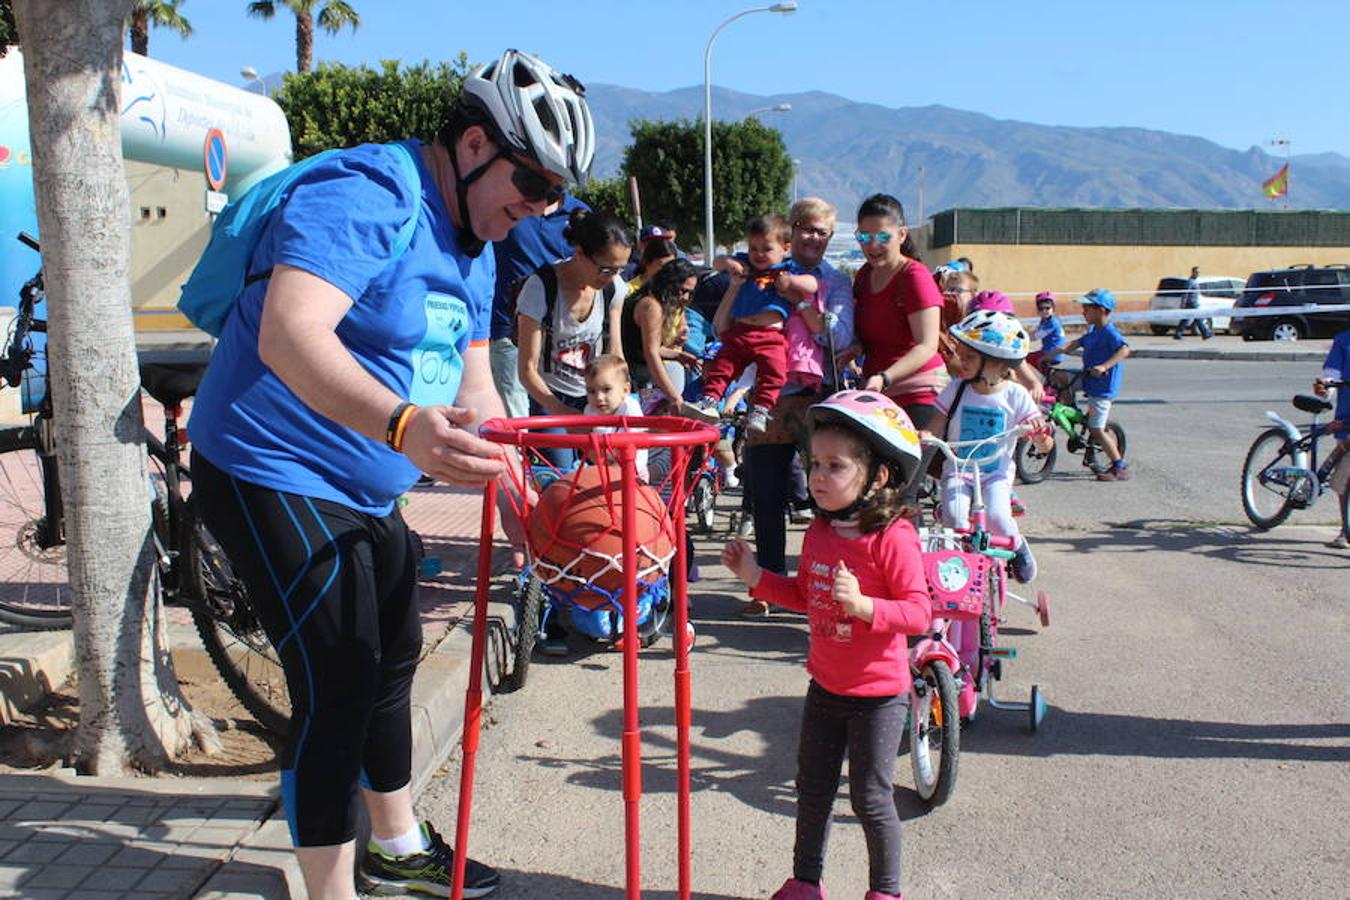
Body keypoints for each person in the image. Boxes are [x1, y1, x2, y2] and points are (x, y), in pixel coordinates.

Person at [187, 48, 594, 898]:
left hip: (366, 479)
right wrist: (406, 426)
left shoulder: (481, 238)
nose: (543, 207)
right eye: (535, 180)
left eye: (557, 193)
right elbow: (290, 334)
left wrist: (518, 492)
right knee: (336, 680)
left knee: (395, 656)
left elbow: (474, 378)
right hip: (270, 465)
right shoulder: (370, 195)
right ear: (476, 143)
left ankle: (397, 846)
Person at [721, 390, 931, 900]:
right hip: (824, 689)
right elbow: (803, 595)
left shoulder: (892, 537)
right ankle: (805, 883)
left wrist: (866, 607)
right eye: (815, 462)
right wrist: (755, 575)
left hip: (879, 698)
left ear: (878, 476)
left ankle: (885, 891)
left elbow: (920, 613)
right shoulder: (819, 530)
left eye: (835, 465)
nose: (817, 476)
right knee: (812, 792)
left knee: (870, 798)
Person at [925, 311, 1052, 582]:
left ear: (995, 363)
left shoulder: (1016, 395)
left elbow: (1044, 441)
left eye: (969, 357)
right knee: (955, 521)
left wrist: (1040, 437)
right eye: (961, 354)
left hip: (995, 473)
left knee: (997, 518)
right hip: (958, 469)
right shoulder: (956, 389)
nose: (961, 361)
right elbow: (934, 426)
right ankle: (956, 579)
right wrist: (923, 436)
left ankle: (1017, 547)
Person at [687, 213, 819, 433]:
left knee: (775, 371)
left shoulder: (787, 269)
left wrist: (792, 282)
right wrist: (729, 263)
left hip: (770, 336)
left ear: (785, 248)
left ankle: (761, 409)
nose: (758, 254)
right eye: (753, 248)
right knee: (723, 365)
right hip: (740, 331)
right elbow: (716, 263)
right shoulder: (745, 264)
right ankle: (709, 401)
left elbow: (812, 284)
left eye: (766, 249)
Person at [516, 209, 629, 466]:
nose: (611, 276)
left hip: (596, 394)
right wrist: (564, 414)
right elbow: (527, 370)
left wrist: (621, 397)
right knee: (560, 477)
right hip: (550, 394)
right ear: (580, 254)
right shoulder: (541, 287)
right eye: (605, 269)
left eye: (619, 269)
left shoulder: (613, 288)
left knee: (606, 473)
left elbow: (616, 353)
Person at [846, 194, 945, 430]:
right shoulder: (863, 276)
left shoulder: (914, 277)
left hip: (919, 392)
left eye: (882, 237)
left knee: (909, 467)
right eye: (864, 237)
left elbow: (927, 345)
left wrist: (884, 377)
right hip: (877, 394)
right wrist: (855, 348)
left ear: (902, 234)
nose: (872, 245)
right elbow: (870, 335)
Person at [490, 191, 589, 418]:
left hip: (562, 336)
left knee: (558, 414)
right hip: (509, 328)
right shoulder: (511, 204)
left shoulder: (580, 214)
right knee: (516, 409)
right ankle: (519, 453)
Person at [1060, 288, 1132, 481]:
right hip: (1088, 379)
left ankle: (1119, 464)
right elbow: (1074, 343)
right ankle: (1072, 413)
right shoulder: (1093, 331)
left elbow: (1124, 350)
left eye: (1087, 308)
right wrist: (1049, 354)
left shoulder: (1110, 332)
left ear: (1101, 310)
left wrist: (1104, 366)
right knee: (1060, 377)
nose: (1083, 312)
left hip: (1103, 387)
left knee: (1097, 430)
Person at [620, 257, 702, 412]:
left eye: (690, 293)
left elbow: (651, 347)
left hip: (638, 371)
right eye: (682, 290)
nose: (684, 298)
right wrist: (674, 396)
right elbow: (650, 353)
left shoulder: (656, 302)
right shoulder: (651, 306)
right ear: (669, 284)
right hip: (632, 374)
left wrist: (676, 355)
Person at [1314, 328, 1350, 548]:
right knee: (1345, 476)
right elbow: (1331, 376)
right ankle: (1346, 530)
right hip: (1347, 420)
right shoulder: (1344, 341)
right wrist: (1324, 389)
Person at [1028, 291, 1066, 373]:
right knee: (1030, 357)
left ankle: (1042, 382)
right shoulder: (1045, 320)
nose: (1044, 310)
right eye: (1041, 309)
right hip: (1048, 351)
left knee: (1026, 360)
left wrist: (1023, 338)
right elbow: (1037, 331)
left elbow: (1036, 336)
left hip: (1053, 354)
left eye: (1047, 308)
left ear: (1053, 308)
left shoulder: (1052, 322)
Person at [1173, 265, 1213, 341]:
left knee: (1188, 319)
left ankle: (1178, 333)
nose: (1198, 274)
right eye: (1197, 272)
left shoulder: (1195, 281)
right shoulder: (1190, 282)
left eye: (1199, 272)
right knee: (1196, 318)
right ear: (1193, 272)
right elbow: (1185, 293)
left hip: (1194, 303)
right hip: (1191, 303)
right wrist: (1183, 303)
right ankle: (1205, 333)